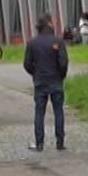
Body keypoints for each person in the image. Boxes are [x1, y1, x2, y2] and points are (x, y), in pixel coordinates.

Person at [23, 13, 69, 152]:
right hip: (55, 80)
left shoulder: (32, 42)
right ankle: (60, 142)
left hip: (40, 80)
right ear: (50, 24)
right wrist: (61, 76)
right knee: (58, 111)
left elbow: (27, 64)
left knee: (39, 112)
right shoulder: (58, 41)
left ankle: (39, 143)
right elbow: (63, 63)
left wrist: (35, 73)